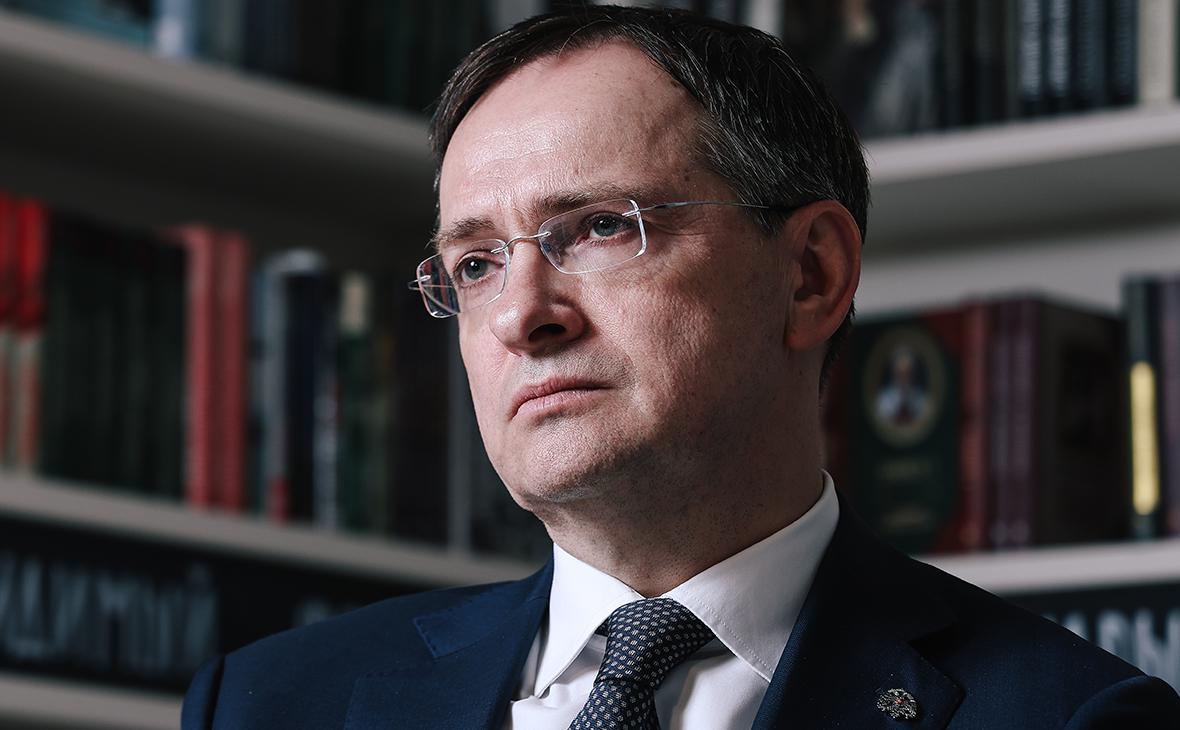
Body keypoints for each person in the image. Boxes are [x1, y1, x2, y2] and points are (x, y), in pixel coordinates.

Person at [182, 6, 1180, 728]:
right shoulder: (268, 706)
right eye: (476, 263)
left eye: (599, 228)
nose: (522, 315)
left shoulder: (1069, 717)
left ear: (810, 274)